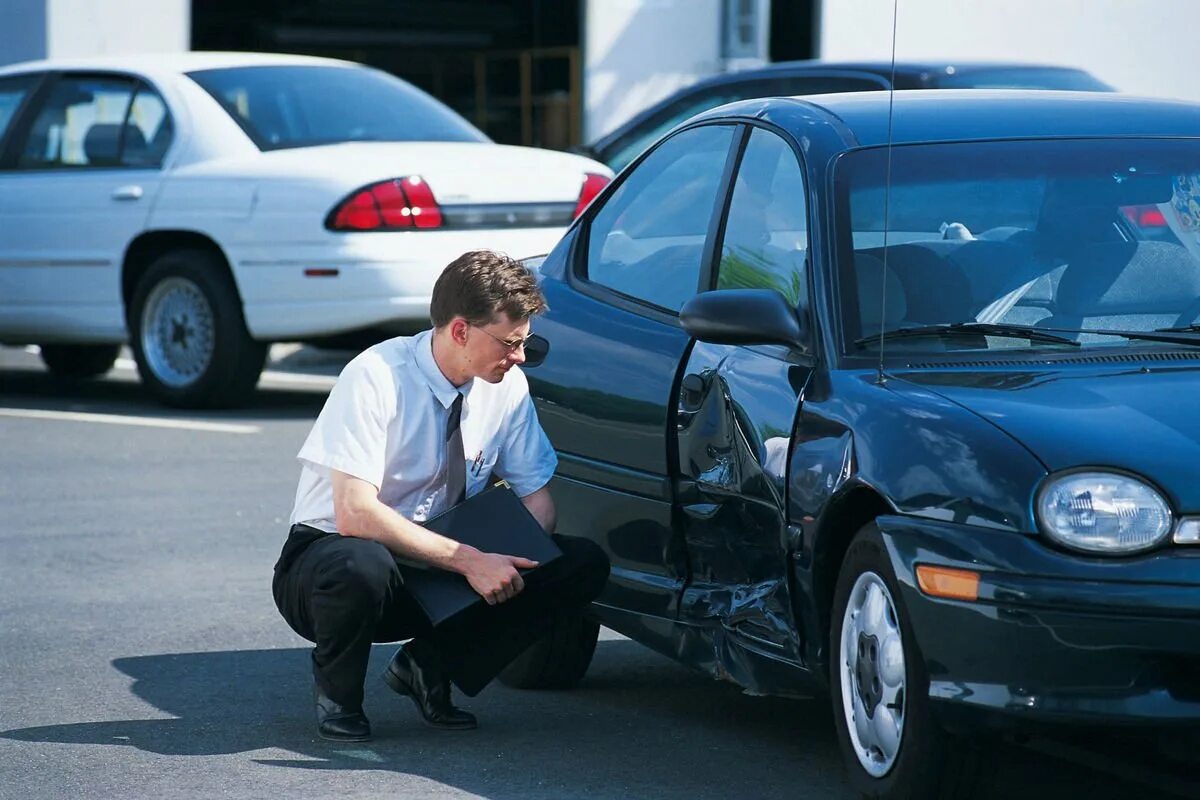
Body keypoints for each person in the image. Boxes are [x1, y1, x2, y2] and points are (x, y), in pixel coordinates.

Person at [271, 250, 610, 742]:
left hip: (444, 558)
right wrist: (472, 562)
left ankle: (429, 666)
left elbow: (539, 504)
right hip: (335, 565)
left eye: (526, 343)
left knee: (579, 562)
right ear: (459, 331)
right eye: (510, 344)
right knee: (362, 563)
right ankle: (339, 697)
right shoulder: (376, 375)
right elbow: (355, 514)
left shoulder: (505, 385)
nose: (519, 357)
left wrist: (510, 567)